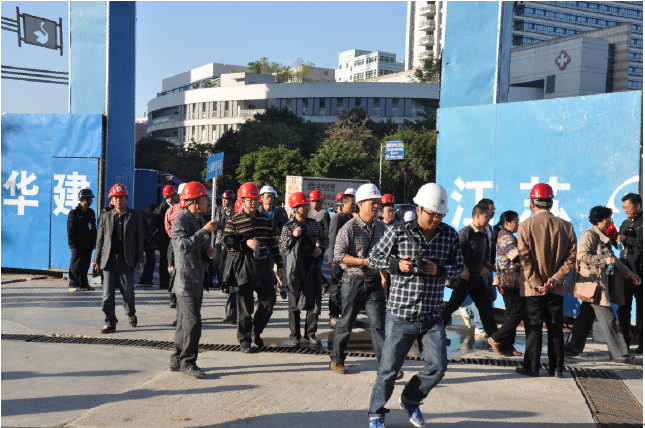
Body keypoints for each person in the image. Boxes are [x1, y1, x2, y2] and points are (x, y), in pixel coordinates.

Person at [367, 183, 464, 428]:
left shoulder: (449, 234)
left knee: (438, 367)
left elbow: (459, 268)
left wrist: (439, 269)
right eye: (431, 213)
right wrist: (396, 265)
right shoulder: (398, 231)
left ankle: (410, 399)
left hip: (432, 315)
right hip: (401, 314)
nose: (436, 218)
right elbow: (373, 257)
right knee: (388, 370)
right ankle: (376, 414)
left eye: (440, 215)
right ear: (419, 209)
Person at [516, 183, 577, 378]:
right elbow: (571, 258)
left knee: (534, 328)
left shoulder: (525, 225)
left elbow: (524, 258)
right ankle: (557, 368)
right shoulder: (566, 226)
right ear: (550, 203)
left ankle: (532, 367)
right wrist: (555, 279)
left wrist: (537, 282)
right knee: (555, 328)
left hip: (532, 289)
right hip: (555, 288)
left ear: (532, 203)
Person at [565, 206, 640, 363]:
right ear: (600, 220)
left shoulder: (603, 236)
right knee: (609, 318)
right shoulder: (590, 235)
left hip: (600, 284)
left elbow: (615, 260)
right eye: (608, 219)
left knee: (586, 316)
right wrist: (604, 261)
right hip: (595, 285)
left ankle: (572, 348)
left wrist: (629, 274)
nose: (611, 222)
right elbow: (582, 255)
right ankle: (619, 353)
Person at [330, 183, 387, 374]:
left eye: (378, 202)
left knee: (379, 325)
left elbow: (385, 254)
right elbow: (338, 256)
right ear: (360, 204)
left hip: (374, 282)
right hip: (352, 282)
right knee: (346, 322)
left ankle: (384, 365)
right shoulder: (349, 228)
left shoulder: (381, 228)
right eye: (372, 202)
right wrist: (363, 261)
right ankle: (337, 359)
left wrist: (384, 276)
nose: (376, 206)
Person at [222, 182, 285, 353]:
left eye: (256, 199)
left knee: (269, 301)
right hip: (244, 267)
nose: (253, 202)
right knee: (245, 307)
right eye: (250, 200)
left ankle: (255, 332)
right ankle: (244, 340)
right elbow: (226, 242)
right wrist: (245, 243)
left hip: (263, 266)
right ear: (242, 201)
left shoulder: (265, 219)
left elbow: (272, 243)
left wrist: (280, 265)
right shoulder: (234, 220)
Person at [170, 182, 217, 379]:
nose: (207, 203)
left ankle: (177, 359)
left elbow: (198, 249)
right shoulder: (181, 221)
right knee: (193, 323)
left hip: (197, 279)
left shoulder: (199, 220)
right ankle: (188, 362)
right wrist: (204, 232)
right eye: (204, 199)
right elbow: (183, 247)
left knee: (184, 323)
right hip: (185, 281)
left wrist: (208, 254)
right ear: (194, 202)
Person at [92, 183, 144, 334]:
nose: (118, 200)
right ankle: (110, 322)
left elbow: (139, 240)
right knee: (107, 296)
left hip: (126, 261)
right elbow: (100, 240)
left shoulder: (135, 216)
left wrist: (140, 259)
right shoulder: (105, 216)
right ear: (111, 200)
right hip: (108, 261)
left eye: (121, 197)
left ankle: (131, 313)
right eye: (115, 198)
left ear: (126, 199)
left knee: (128, 294)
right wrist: (96, 259)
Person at [441, 204, 499, 340]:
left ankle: (496, 338)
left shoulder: (482, 234)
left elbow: (480, 257)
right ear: (478, 216)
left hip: (477, 279)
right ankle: (435, 332)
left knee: (485, 307)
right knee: (451, 306)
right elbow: (455, 254)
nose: (489, 219)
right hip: (465, 279)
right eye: (486, 216)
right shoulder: (465, 233)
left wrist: (492, 267)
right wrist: (463, 268)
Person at [280, 191, 329, 346]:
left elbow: (325, 239)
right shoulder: (288, 226)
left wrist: (320, 249)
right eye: (304, 206)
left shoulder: (314, 224)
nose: (307, 208)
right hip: (295, 269)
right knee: (293, 304)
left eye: (308, 205)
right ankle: (295, 335)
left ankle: (310, 334)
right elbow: (282, 247)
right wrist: (293, 236)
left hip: (312, 267)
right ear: (296, 208)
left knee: (314, 302)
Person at [460, 199, 498, 337]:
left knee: (491, 295)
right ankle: (480, 326)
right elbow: (467, 253)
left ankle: (468, 310)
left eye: (493, 210)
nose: (492, 213)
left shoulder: (489, 228)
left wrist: (491, 266)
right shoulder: (469, 231)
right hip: (479, 269)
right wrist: (482, 266)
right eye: (490, 210)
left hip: (488, 266)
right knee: (483, 297)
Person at [488, 211, 523, 356]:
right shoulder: (506, 236)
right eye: (516, 222)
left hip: (509, 279)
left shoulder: (505, 235)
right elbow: (515, 256)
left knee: (511, 313)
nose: (518, 225)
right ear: (507, 223)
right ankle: (497, 338)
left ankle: (507, 345)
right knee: (516, 312)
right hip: (510, 280)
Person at [615, 193, 643, 354]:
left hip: (640, 271)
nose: (625, 210)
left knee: (641, 309)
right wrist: (615, 239)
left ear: (638, 206)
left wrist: (626, 239)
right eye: (623, 207)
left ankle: (642, 343)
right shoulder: (625, 223)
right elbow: (621, 244)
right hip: (624, 271)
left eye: (628, 207)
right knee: (623, 307)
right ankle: (624, 342)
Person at [326, 192, 356, 327]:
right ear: (343, 205)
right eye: (351, 204)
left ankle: (344, 313)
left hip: (348, 260)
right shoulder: (337, 218)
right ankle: (333, 315)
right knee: (336, 287)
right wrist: (332, 259)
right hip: (337, 259)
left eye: (354, 204)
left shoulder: (352, 218)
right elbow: (332, 239)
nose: (353, 206)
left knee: (347, 288)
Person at [259, 185, 288, 299]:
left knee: (279, 266)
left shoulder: (279, 213)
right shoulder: (257, 212)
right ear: (262, 198)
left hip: (274, 246)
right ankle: (261, 296)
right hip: (260, 247)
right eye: (267, 196)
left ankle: (281, 287)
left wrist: (279, 237)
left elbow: (284, 228)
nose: (270, 199)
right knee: (265, 271)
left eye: (271, 196)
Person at [67, 188, 97, 292]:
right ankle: (73, 284)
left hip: (88, 243)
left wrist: (94, 242)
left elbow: (93, 228)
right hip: (78, 244)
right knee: (75, 264)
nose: (92, 200)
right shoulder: (74, 212)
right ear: (85, 199)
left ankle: (84, 284)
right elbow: (70, 229)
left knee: (85, 264)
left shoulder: (91, 212)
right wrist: (72, 244)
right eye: (90, 198)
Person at [215, 190, 237, 324]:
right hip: (221, 238)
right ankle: (221, 281)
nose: (224, 201)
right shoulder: (219, 210)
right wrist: (222, 225)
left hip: (232, 240)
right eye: (223, 199)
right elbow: (217, 223)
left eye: (226, 199)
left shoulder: (236, 211)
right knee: (217, 260)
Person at [152, 185, 179, 290]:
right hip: (164, 240)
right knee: (165, 261)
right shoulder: (162, 208)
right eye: (175, 194)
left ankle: (171, 281)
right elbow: (154, 223)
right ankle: (164, 283)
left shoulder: (175, 207)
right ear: (170, 196)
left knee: (172, 261)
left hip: (172, 239)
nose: (177, 196)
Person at [308, 189, 332, 294]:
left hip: (319, 246)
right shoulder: (309, 212)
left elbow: (327, 231)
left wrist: (320, 243)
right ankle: (323, 283)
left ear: (319, 202)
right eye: (311, 201)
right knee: (309, 267)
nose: (312, 203)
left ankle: (322, 285)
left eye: (314, 201)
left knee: (316, 267)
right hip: (309, 244)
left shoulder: (324, 214)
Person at [167, 197, 188, 310]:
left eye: (186, 209)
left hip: (188, 261)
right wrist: (170, 263)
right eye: (182, 209)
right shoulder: (177, 225)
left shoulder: (194, 224)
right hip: (176, 259)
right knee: (173, 279)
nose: (184, 212)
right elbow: (171, 247)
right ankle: (172, 300)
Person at [139, 204, 158, 286]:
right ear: (148, 210)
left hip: (148, 240)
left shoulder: (149, 217)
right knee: (149, 259)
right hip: (143, 240)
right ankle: (145, 278)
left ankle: (146, 278)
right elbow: (142, 231)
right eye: (152, 214)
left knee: (152, 259)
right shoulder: (140, 216)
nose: (152, 216)